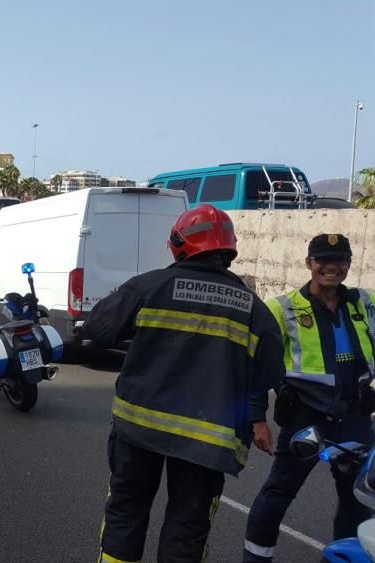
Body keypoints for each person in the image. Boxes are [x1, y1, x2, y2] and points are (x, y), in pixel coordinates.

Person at [83, 204, 284, 563]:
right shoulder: (255, 308)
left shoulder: (150, 285)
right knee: (188, 527)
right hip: (207, 441)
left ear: (178, 244)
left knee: (127, 512)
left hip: (140, 428)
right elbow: (267, 376)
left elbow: (97, 330)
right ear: (228, 249)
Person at [243, 234, 375, 562]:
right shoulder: (282, 308)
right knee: (277, 496)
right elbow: (256, 366)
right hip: (307, 418)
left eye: (340, 261)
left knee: (357, 500)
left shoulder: (365, 303)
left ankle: (345, 558)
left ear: (349, 264)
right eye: (322, 260)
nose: (331, 267)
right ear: (309, 264)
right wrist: (257, 420)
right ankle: (256, 558)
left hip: (355, 417)